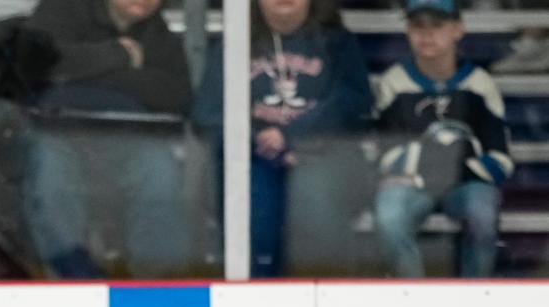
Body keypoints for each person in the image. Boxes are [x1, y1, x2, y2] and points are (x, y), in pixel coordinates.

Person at [193, 0, 372, 277]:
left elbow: (354, 101)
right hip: (254, 158)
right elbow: (208, 112)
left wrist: (292, 136)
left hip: (321, 156)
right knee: (256, 215)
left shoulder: (336, 41)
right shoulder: (235, 41)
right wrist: (258, 139)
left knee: (317, 204)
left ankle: (323, 300)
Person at [21, 0, 192, 278]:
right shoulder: (59, 10)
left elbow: (177, 98)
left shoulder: (161, 37)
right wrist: (121, 56)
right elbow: (34, 65)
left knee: (160, 172)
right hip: (57, 133)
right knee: (50, 178)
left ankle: (159, 286)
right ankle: (70, 276)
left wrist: (83, 75)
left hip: (130, 139)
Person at [372, 0, 512, 278]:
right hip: (412, 185)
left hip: (467, 185)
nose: (427, 35)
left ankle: (476, 295)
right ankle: (411, 293)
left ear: (458, 30)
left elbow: (501, 159)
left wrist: (448, 163)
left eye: (437, 26)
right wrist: (437, 160)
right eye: (417, 26)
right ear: (407, 31)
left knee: (482, 213)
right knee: (389, 214)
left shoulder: (479, 84)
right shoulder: (393, 83)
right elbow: (380, 153)